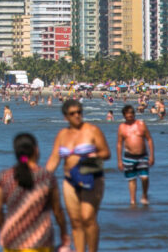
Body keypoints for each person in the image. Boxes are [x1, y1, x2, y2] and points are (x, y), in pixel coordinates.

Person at [45, 99, 110, 252]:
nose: (77, 116)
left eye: (79, 112)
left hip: (92, 176)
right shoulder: (62, 135)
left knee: (88, 218)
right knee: (75, 221)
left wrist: (92, 156)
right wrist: (42, 178)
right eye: (72, 113)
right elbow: (54, 158)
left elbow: (106, 153)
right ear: (65, 117)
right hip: (69, 180)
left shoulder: (92, 130)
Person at [0, 133, 69, 252]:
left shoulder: (4, 177)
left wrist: (4, 229)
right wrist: (64, 233)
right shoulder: (46, 177)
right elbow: (57, 210)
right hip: (41, 240)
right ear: (36, 150)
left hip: (12, 240)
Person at [117, 104, 154, 206]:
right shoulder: (122, 127)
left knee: (144, 177)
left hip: (142, 156)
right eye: (127, 115)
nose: (129, 116)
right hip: (129, 156)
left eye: (131, 114)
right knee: (131, 180)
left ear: (134, 114)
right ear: (124, 116)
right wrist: (119, 160)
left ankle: (144, 195)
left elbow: (149, 139)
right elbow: (119, 144)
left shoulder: (141, 124)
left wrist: (152, 156)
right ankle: (132, 201)